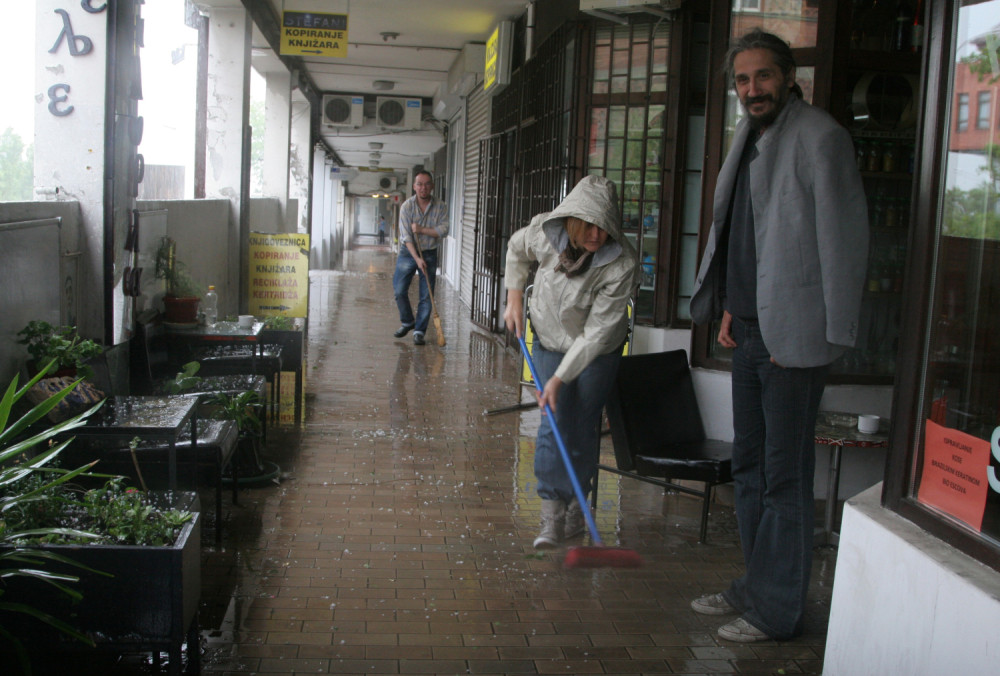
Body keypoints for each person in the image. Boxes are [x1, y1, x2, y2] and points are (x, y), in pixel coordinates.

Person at [688, 29, 868, 643]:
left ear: (790, 77)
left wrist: (829, 333)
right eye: (742, 79)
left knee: (785, 477)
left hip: (795, 338)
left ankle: (778, 611)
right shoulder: (748, 135)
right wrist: (730, 306)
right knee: (750, 468)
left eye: (763, 75)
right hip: (748, 329)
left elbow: (845, 244)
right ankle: (754, 586)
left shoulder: (822, 137)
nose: (752, 88)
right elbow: (739, 232)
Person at [504, 175, 639, 549]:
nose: (596, 235)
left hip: (599, 352)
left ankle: (578, 506)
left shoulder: (621, 263)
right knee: (554, 422)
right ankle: (552, 513)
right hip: (549, 341)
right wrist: (514, 297)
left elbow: (596, 334)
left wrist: (559, 379)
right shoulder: (546, 234)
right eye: (588, 226)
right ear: (572, 221)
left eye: (604, 227)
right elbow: (516, 249)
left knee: (581, 425)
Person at [392, 171, 449, 346]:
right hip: (408, 252)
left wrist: (422, 229)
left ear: (432, 186)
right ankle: (408, 321)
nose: (423, 187)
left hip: (429, 252)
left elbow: (443, 230)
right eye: (419, 184)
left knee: (426, 295)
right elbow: (406, 237)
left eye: (426, 184)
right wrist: (417, 258)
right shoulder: (406, 207)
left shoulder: (440, 206)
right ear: (414, 186)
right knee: (399, 290)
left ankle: (419, 331)